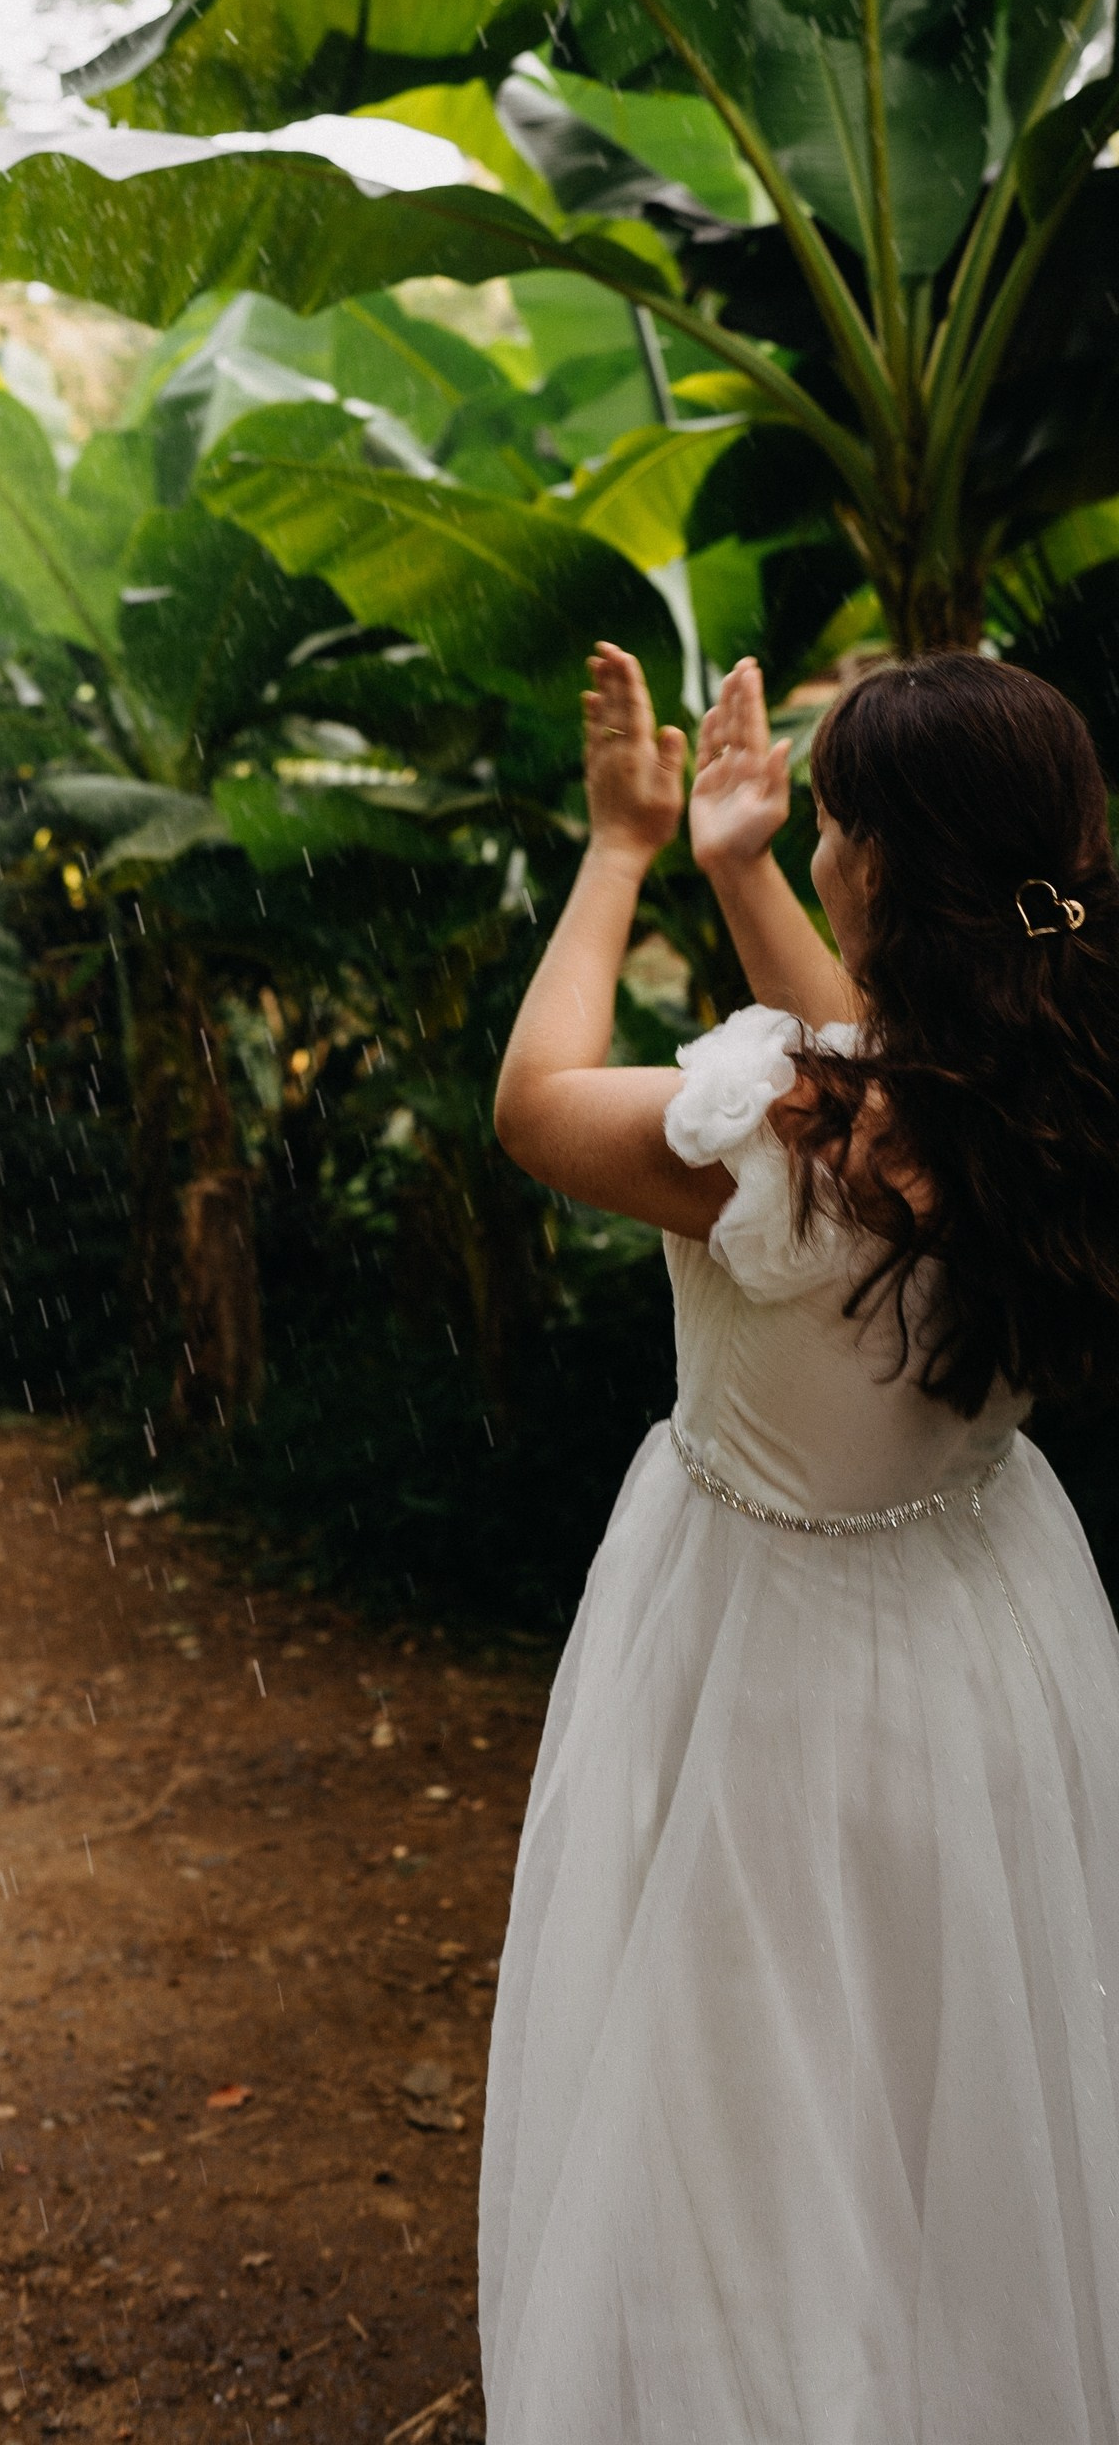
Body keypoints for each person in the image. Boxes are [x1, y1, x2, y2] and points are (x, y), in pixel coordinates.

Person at [483, 643, 1119, 2442]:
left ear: (882, 876)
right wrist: (745, 861)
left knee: (761, 2117)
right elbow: (885, 1058)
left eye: (831, 824)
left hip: (777, 1677)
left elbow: (537, 1105)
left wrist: (622, 846)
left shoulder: (783, 1128)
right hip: (986, 1644)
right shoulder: (1055, 1073)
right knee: (951, 2097)